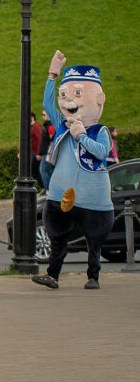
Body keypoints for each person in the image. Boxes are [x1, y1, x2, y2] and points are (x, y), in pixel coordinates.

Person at [35, 52, 115, 290]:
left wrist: (81, 135)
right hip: (62, 195)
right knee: (58, 238)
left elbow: (102, 152)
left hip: (92, 198)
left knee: (94, 241)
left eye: (78, 94)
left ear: (98, 99)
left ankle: (93, 277)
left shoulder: (99, 130)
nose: (70, 99)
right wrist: (53, 75)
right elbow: (48, 104)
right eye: (67, 94)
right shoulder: (62, 123)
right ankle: (52, 275)